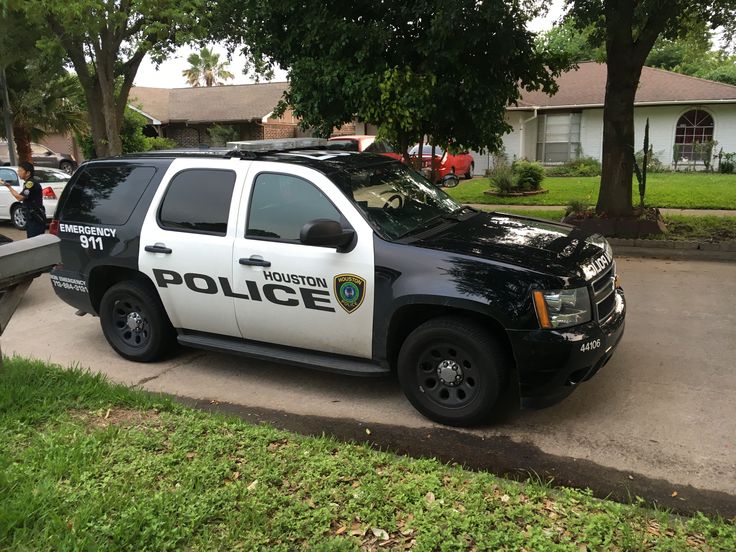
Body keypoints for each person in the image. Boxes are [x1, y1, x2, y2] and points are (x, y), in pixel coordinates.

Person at [1, 161, 46, 238]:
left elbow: (19, 198)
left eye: (20, 170)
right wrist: (8, 186)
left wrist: (9, 187)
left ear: (28, 173)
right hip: (31, 216)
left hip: (35, 218)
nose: (18, 172)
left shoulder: (31, 183)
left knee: (34, 241)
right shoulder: (28, 183)